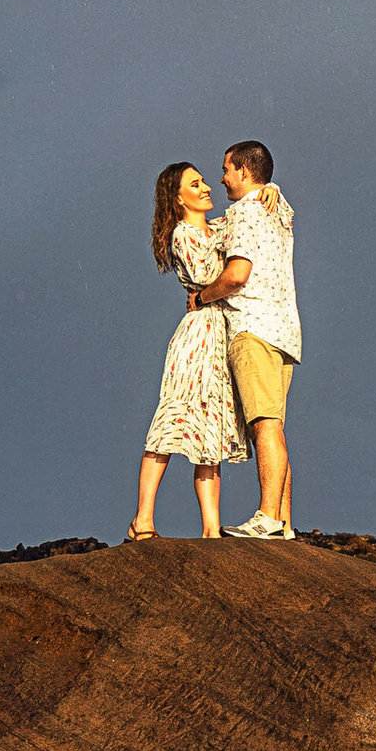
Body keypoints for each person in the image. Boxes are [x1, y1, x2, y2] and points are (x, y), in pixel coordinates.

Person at [127, 163, 245, 539]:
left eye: (204, 180)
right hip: (198, 335)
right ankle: (142, 518)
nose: (207, 187)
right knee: (171, 422)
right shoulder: (184, 234)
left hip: (220, 333)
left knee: (210, 429)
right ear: (178, 198)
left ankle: (211, 527)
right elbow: (211, 277)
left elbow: (254, 217)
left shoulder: (217, 228)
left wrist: (269, 192)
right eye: (195, 184)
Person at [212, 139, 299, 540]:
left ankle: (266, 516)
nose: (223, 177)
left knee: (265, 424)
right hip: (284, 332)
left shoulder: (245, 212)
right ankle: (283, 522)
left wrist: (201, 296)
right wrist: (273, 187)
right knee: (274, 425)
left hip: (253, 327)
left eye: (227, 169)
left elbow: (237, 274)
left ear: (245, 172)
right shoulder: (277, 209)